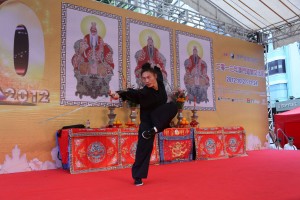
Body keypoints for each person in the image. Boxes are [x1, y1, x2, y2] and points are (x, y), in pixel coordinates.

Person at [110, 62, 178, 186]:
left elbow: (159, 72)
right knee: (143, 149)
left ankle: (156, 128)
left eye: (149, 77)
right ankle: (138, 177)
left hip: (158, 119)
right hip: (148, 123)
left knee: (173, 106)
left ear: (155, 77)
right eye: (144, 78)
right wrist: (118, 94)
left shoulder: (161, 83)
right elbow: (132, 93)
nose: (146, 81)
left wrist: (157, 66)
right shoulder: (144, 92)